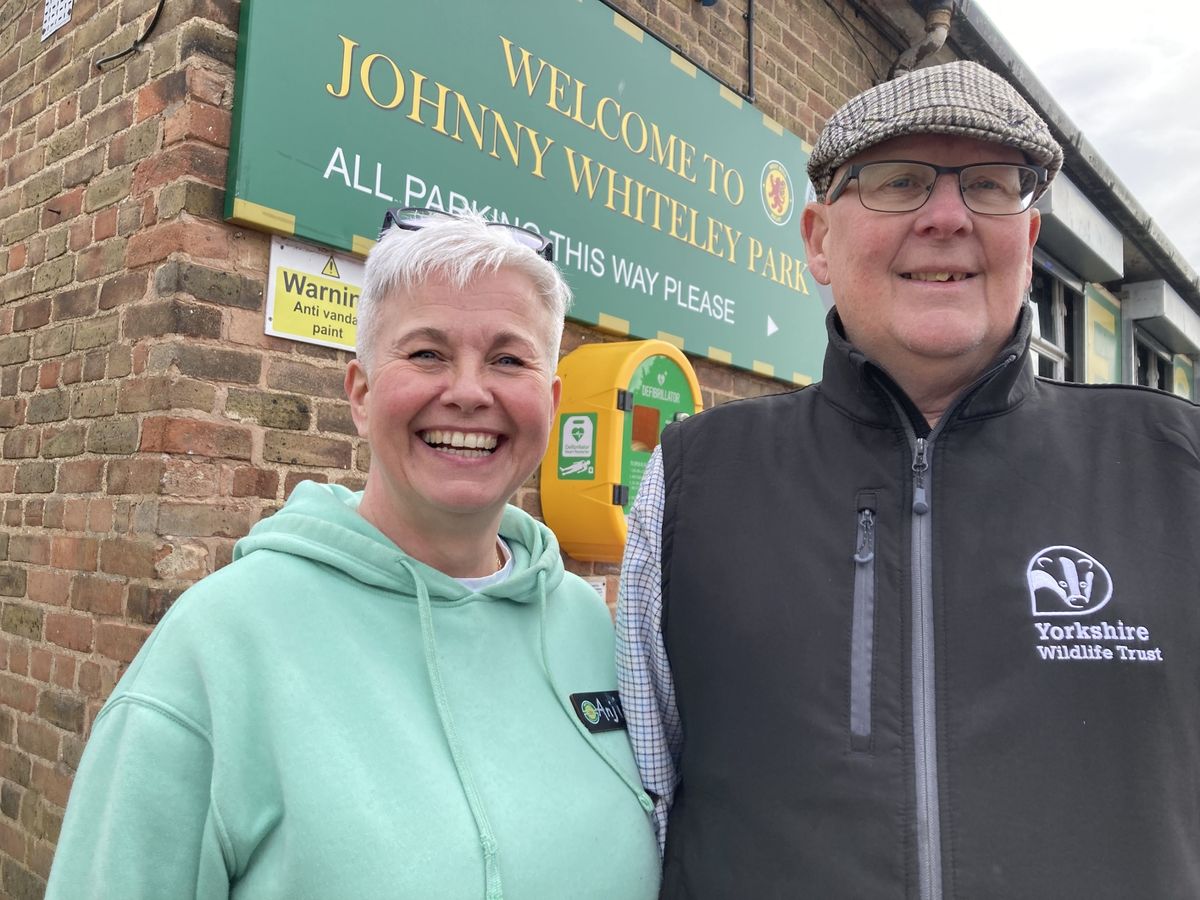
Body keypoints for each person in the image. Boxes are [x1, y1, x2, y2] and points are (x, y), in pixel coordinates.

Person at [617, 59, 1200, 899]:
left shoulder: (1174, 467)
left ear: (1029, 241)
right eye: (899, 181)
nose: (949, 217)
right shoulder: (693, 481)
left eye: (989, 185)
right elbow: (641, 810)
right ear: (819, 240)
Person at [47, 208, 661, 898]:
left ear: (550, 401)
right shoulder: (219, 644)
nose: (468, 391)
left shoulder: (588, 626)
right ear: (361, 394)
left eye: (508, 359)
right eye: (426, 353)